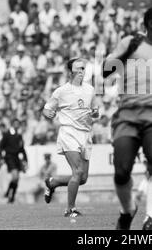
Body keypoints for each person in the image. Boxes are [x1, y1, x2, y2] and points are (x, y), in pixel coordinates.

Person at [103, 5, 152, 230]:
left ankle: (151, 220)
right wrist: (128, 52)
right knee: (121, 171)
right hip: (128, 115)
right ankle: (128, 210)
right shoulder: (130, 43)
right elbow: (105, 72)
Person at [42, 58, 99, 218]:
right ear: (70, 72)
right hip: (69, 133)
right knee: (78, 171)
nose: (82, 71)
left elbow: (96, 111)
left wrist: (95, 113)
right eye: (78, 68)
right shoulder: (61, 91)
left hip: (86, 134)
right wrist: (49, 113)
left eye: (83, 68)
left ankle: (53, 182)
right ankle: (70, 209)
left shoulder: (90, 90)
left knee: (82, 179)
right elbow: (46, 109)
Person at [0, 118, 28, 204]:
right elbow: (0, 147)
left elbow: (22, 149)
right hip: (9, 157)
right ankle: (8, 192)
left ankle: (12, 197)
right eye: (15, 124)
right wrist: (1, 158)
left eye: (18, 124)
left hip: (16, 158)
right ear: (12, 124)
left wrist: (26, 160)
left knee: (17, 179)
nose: (17, 125)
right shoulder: (7, 134)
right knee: (15, 176)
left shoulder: (19, 136)